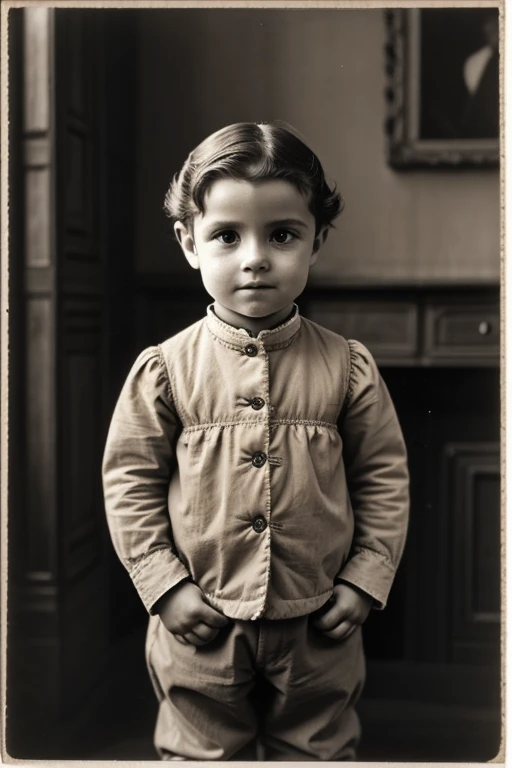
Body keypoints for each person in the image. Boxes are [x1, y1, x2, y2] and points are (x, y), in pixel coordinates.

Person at [102, 121, 409, 761]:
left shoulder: (348, 367)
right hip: (201, 621)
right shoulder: (164, 369)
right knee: (200, 750)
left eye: (282, 235)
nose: (255, 257)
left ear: (316, 240)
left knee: (318, 748)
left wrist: (362, 580)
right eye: (226, 236)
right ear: (189, 243)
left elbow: (383, 477)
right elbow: (129, 482)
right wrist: (164, 586)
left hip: (317, 621)